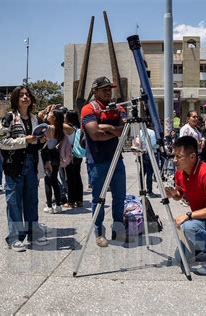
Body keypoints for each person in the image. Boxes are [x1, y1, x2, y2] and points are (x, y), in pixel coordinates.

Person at [165, 136, 206, 275]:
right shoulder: (180, 173)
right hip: (201, 217)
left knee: (189, 226)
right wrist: (174, 194)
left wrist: (188, 216)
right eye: (174, 155)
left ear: (192, 157)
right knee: (179, 258)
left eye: (179, 156)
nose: (174, 160)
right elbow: (180, 194)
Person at [0, 86, 48, 252]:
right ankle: (15, 238)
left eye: (27, 95)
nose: (25, 97)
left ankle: (33, 234)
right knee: (14, 203)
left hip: (31, 165)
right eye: (21, 95)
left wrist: (42, 140)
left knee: (32, 201)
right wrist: (26, 140)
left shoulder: (35, 119)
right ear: (16, 99)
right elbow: (1, 142)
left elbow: (38, 144)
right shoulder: (9, 118)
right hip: (14, 166)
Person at [80, 76, 127, 247]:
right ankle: (99, 232)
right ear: (95, 91)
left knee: (119, 196)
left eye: (110, 88)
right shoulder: (88, 109)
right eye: (104, 88)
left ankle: (118, 228)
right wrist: (115, 131)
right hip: (97, 160)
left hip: (117, 159)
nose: (108, 91)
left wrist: (108, 127)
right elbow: (94, 134)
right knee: (98, 198)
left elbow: (125, 131)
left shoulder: (118, 108)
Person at [41, 108, 66, 213]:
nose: (48, 115)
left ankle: (50, 206)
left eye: (50, 114)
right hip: (56, 155)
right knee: (55, 180)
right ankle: (58, 205)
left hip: (48, 155)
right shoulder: (60, 128)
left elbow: (44, 143)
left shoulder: (48, 128)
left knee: (48, 181)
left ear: (54, 117)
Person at [65, 110, 84, 208]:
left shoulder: (68, 127)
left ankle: (71, 201)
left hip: (70, 154)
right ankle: (79, 200)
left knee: (70, 178)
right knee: (77, 176)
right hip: (78, 153)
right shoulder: (77, 128)